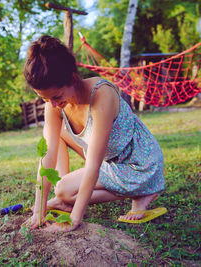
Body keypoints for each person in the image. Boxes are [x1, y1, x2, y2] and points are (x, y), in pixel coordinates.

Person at [22, 35, 164, 231]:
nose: (52, 104)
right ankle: (66, 195)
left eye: (55, 96)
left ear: (72, 78)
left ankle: (144, 189)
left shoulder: (101, 94)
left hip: (138, 163)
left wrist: (74, 219)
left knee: (63, 189)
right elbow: (46, 158)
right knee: (62, 179)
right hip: (110, 160)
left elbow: (93, 165)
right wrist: (39, 210)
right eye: (45, 99)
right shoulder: (53, 105)